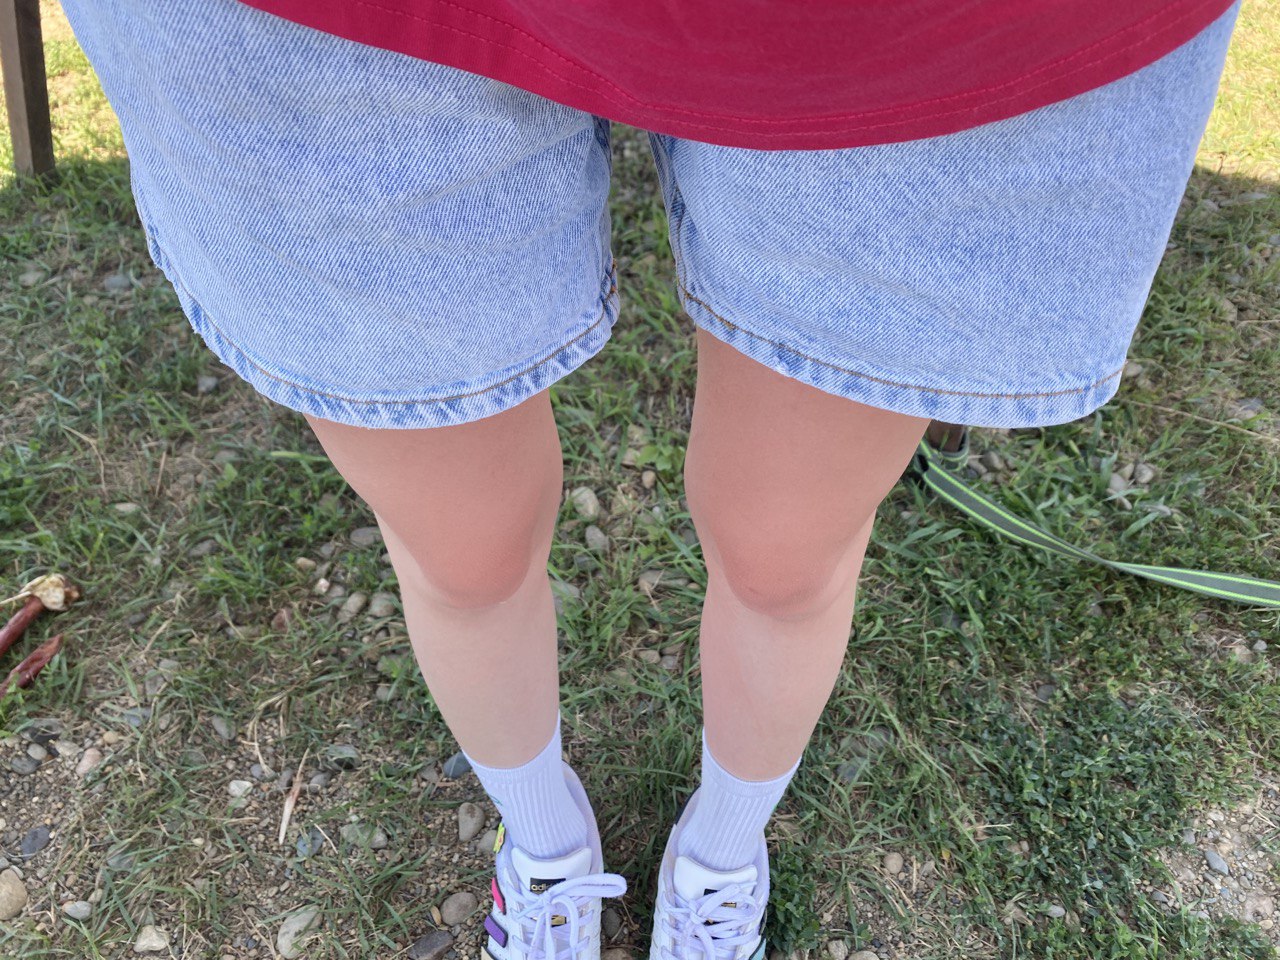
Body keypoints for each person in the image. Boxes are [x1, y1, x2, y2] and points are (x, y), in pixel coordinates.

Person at [55, 1, 1240, 958]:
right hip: (329, 24)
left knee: (784, 560)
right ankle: (545, 846)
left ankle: (721, 854)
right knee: (462, 554)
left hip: (924, 31)